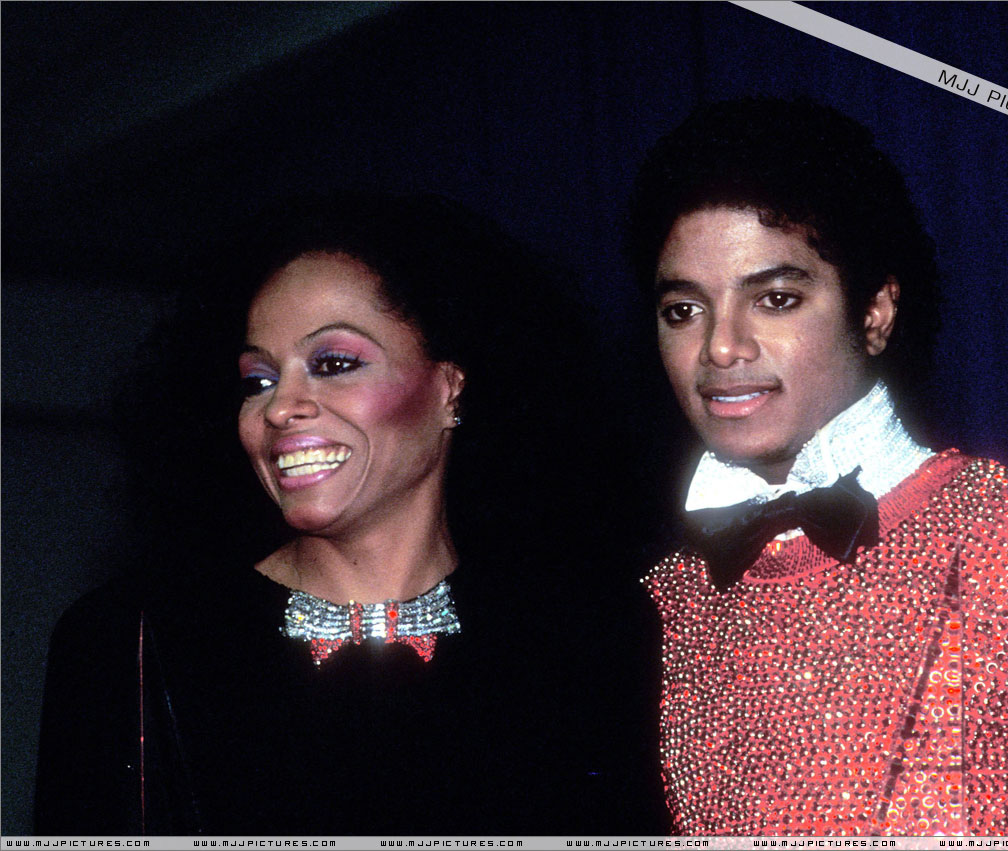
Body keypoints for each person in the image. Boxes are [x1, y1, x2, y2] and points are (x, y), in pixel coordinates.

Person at [629, 97, 1008, 836]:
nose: (721, 347)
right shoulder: (669, 600)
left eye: (775, 299)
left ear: (875, 312)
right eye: (684, 310)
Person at [34, 193, 642, 834]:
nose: (280, 408)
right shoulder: (131, 641)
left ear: (449, 389)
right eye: (258, 380)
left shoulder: (582, 640)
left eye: (334, 365)